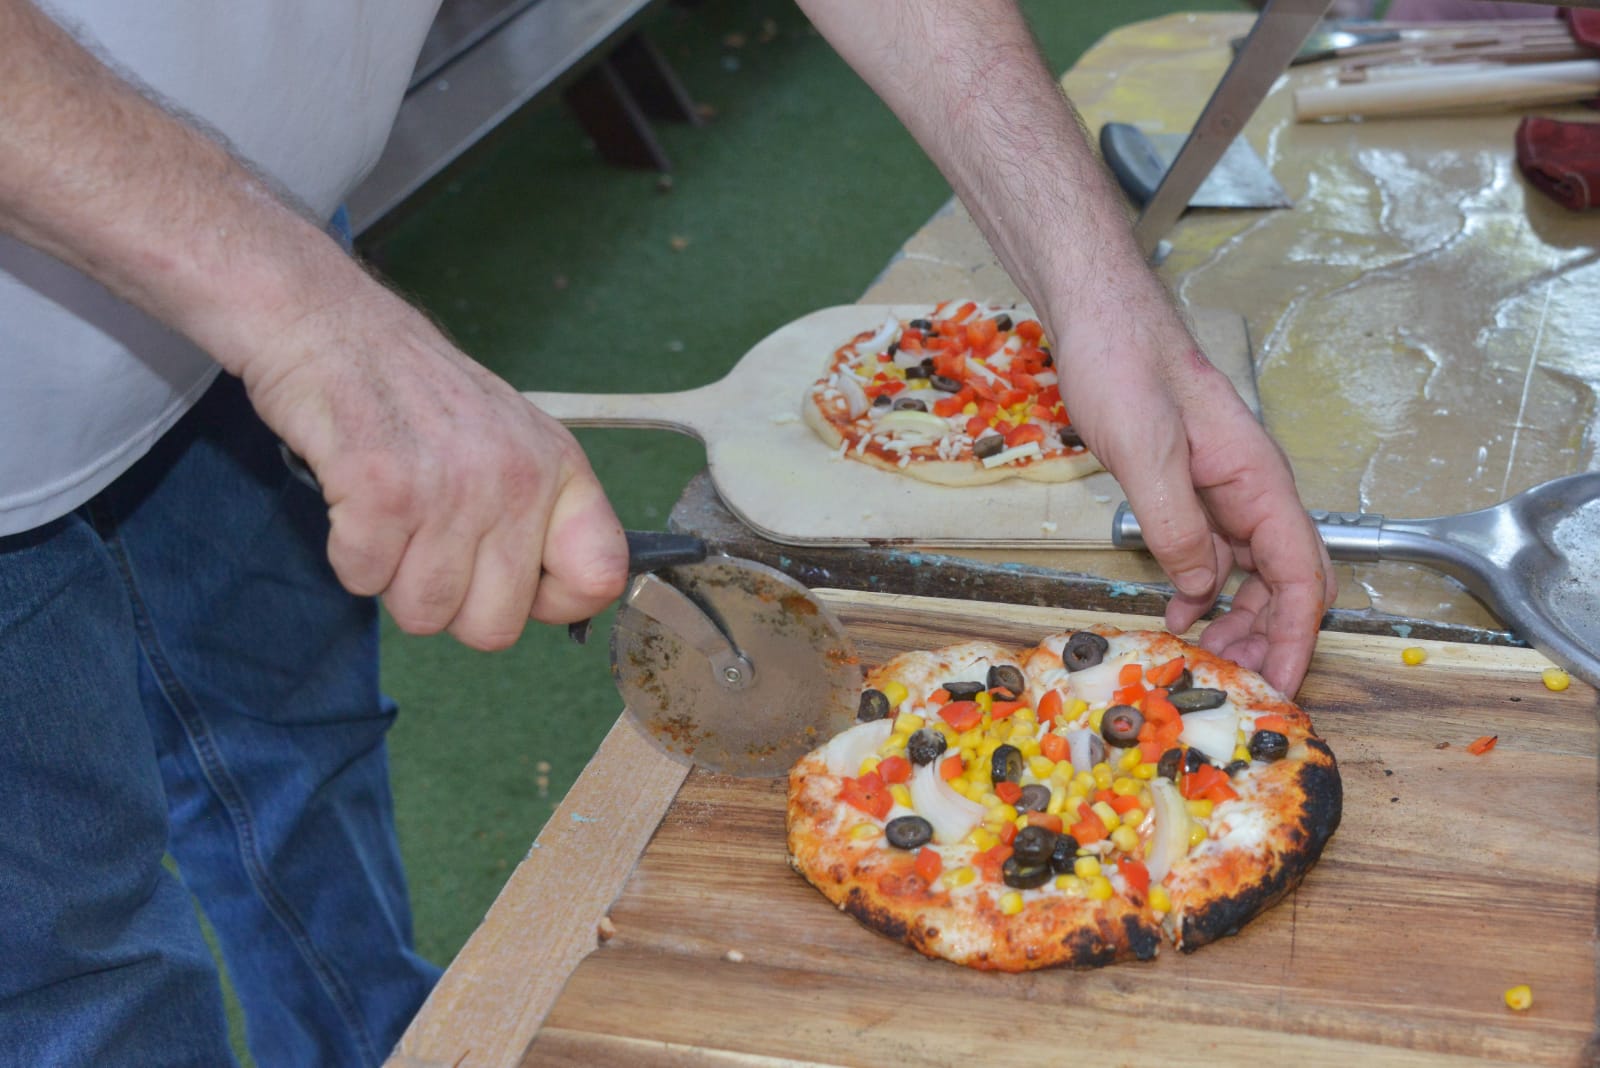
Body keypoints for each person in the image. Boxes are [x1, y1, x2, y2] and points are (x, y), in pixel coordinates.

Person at [0, 0, 1333, 1064]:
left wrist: (1094, 289)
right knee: (78, 967)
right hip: (195, 291)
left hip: (254, 224)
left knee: (299, 758)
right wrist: (309, 313)